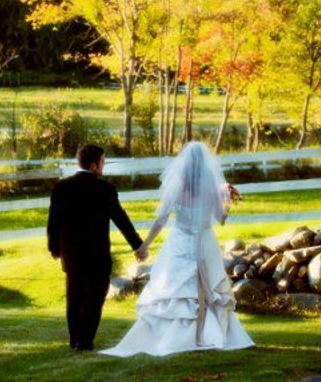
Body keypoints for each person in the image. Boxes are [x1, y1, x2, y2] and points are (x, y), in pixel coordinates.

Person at [101, 142, 254, 357]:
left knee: (177, 288)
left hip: (180, 242)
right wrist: (226, 203)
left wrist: (144, 246)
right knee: (210, 289)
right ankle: (212, 334)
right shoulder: (211, 186)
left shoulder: (177, 185)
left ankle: (171, 336)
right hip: (205, 242)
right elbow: (220, 219)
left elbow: (161, 220)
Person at [47, 144, 147, 351]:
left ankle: (75, 339)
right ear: (93, 165)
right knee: (95, 296)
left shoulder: (61, 187)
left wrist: (55, 248)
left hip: (72, 253)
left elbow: (53, 222)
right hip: (97, 254)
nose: (103, 167)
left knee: (74, 295)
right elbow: (121, 220)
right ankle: (86, 339)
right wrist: (138, 245)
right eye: (102, 162)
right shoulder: (105, 189)